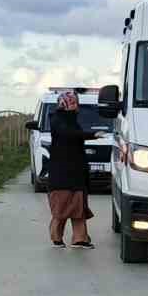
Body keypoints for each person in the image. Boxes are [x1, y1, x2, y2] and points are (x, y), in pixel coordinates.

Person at [46, 91, 97, 249]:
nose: (77, 107)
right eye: (73, 103)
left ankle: (80, 239)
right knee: (61, 209)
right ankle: (56, 238)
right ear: (64, 104)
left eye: (76, 103)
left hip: (76, 172)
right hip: (61, 174)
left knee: (79, 208)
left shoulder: (72, 120)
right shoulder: (57, 120)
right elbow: (70, 134)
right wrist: (92, 135)